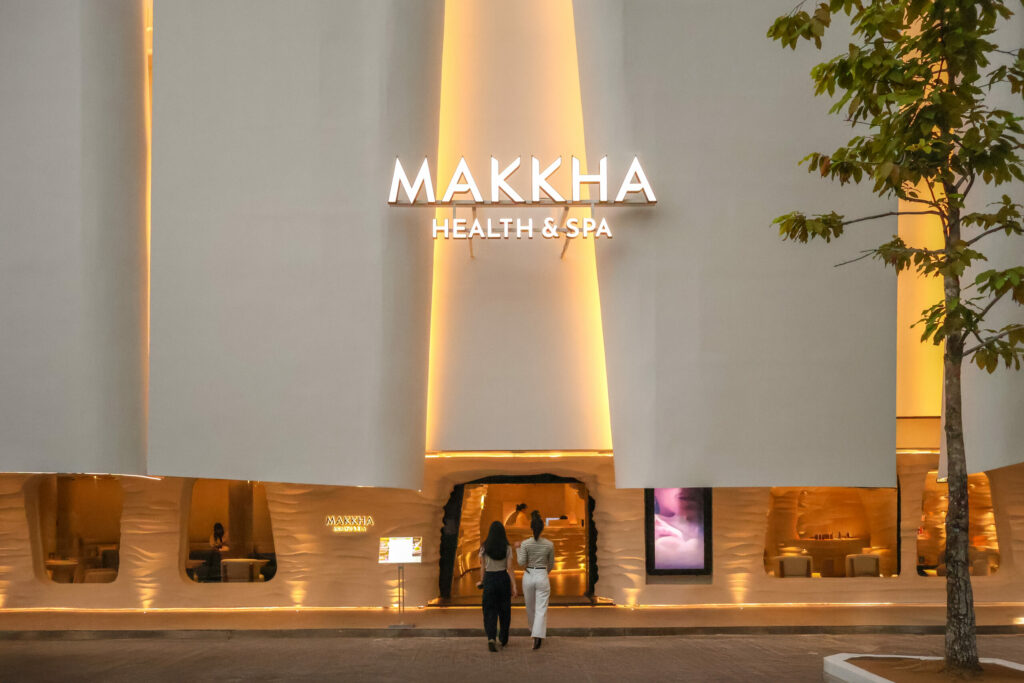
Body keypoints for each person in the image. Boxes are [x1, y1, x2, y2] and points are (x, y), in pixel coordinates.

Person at [476, 521, 517, 651]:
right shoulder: (507, 548)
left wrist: (481, 581)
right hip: (502, 579)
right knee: (504, 610)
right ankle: (503, 638)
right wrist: (514, 586)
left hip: (489, 579)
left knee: (489, 610)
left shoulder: (484, 547)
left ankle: (491, 638)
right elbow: (510, 568)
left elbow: (482, 567)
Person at [516, 510, 554, 650]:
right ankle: (537, 635)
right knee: (541, 608)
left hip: (529, 574)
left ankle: (533, 631)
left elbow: (521, 562)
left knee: (530, 606)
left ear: (531, 528)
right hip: (541, 574)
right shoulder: (549, 544)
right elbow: (551, 564)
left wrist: (517, 549)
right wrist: (545, 572)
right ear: (542, 528)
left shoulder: (526, 544)